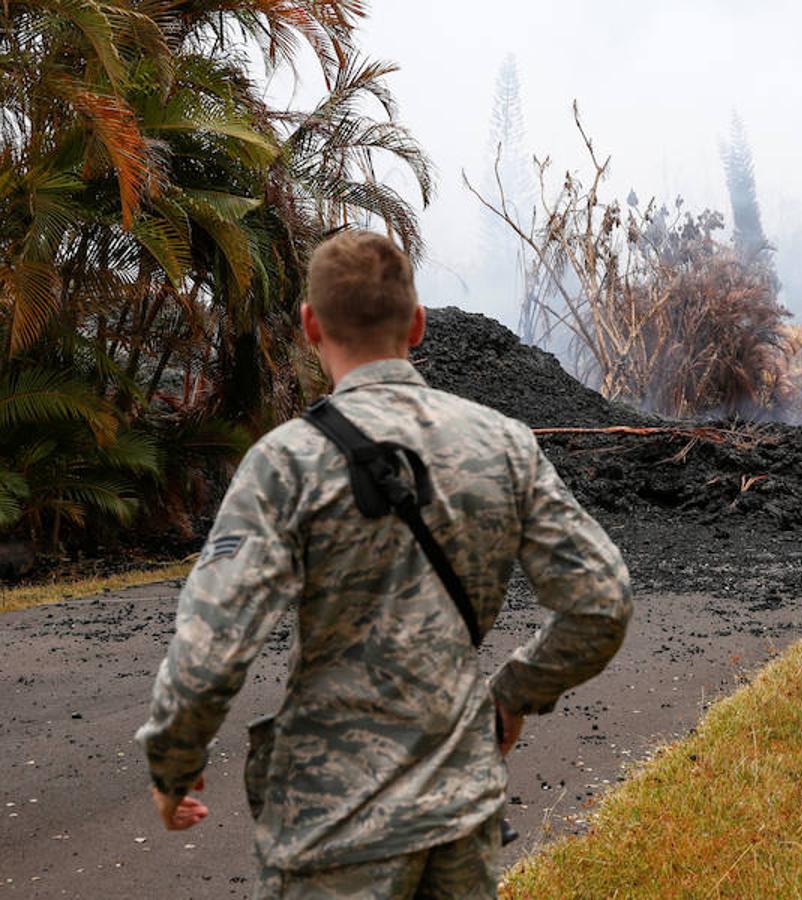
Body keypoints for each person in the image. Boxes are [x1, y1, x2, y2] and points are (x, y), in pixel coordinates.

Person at [136, 230, 633, 898]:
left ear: (310, 325)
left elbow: (209, 654)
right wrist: (514, 693)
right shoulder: (505, 446)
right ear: (418, 324)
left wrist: (174, 767)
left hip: (333, 831)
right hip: (463, 821)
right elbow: (601, 600)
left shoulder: (285, 463)